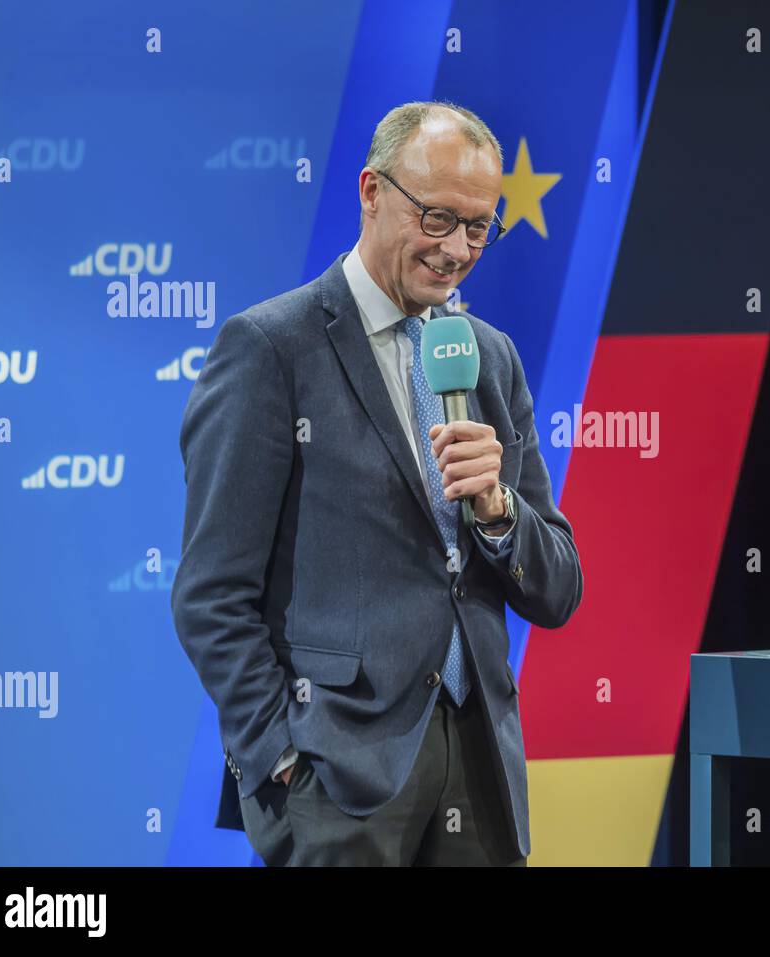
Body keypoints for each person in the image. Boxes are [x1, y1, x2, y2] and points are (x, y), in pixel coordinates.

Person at [171, 100, 583, 866]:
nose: (456, 250)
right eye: (437, 218)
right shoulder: (270, 348)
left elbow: (557, 587)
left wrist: (498, 510)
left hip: (481, 775)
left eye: (478, 228)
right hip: (336, 782)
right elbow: (210, 593)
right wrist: (283, 759)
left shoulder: (489, 357)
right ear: (371, 191)